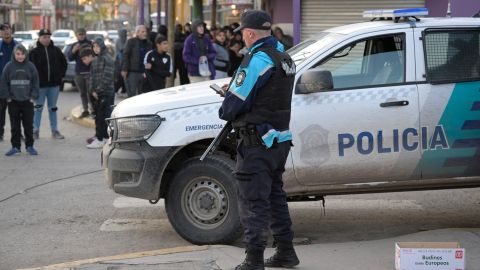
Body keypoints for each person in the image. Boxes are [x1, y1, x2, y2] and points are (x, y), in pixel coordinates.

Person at [218, 10, 299, 270]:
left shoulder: (257, 59)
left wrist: (228, 95)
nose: (242, 37)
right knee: (275, 195)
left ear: (250, 33)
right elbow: (270, 95)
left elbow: (231, 107)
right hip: (279, 139)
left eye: (243, 33)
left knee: (253, 199)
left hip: (256, 142)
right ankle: (286, 252)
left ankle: (254, 260)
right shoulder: (285, 58)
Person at [0, 45, 39, 156]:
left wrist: (33, 97)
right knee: (15, 126)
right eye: (18, 54)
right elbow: (3, 83)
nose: (20, 56)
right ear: (14, 54)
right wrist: (7, 97)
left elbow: (36, 82)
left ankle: (30, 146)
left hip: (28, 102)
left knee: (28, 126)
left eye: (22, 54)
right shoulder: (9, 66)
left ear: (25, 54)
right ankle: (15, 147)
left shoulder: (31, 66)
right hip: (13, 102)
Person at [29, 28, 67, 140]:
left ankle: (55, 131)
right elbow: (29, 69)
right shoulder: (34, 53)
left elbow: (64, 63)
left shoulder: (56, 51)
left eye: (48, 37)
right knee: (38, 108)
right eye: (44, 37)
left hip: (54, 86)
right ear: (39, 38)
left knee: (53, 108)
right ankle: (35, 131)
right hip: (39, 87)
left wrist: (60, 76)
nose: (46, 39)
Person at [84, 38, 114, 149]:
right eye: (94, 46)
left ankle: (103, 139)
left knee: (104, 116)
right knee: (98, 117)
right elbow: (92, 77)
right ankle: (99, 137)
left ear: (102, 46)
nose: (96, 49)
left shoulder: (108, 59)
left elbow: (107, 78)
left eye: (98, 46)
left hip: (106, 93)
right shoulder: (95, 60)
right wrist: (92, 90)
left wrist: (98, 91)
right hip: (96, 94)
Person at [68, 28, 93, 118]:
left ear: (85, 34)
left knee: (90, 92)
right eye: (80, 34)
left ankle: (93, 109)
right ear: (77, 35)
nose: (81, 36)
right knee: (83, 92)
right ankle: (85, 109)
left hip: (90, 71)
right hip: (79, 72)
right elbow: (70, 58)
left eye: (83, 34)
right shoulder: (74, 45)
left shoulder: (91, 44)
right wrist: (74, 50)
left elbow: (96, 55)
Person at [121, 25, 152, 97]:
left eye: (145, 32)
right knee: (132, 95)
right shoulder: (131, 42)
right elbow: (126, 55)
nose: (145, 33)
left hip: (144, 73)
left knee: (142, 95)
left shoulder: (149, 43)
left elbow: (151, 56)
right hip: (132, 72)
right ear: (137, 33)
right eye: (142, 32)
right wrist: (124, 69)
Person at [0, 23, 19, 142]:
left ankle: (17, 134)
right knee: (1, 111)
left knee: (16, 111)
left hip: (16, 84)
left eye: (8, 29)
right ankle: (0, 133)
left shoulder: (18, 46)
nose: (6, 31)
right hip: (2, 85)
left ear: (11, 30)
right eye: (3, 30)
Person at [114, 29, 127, 95]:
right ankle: (116, 90)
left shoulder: (126, 40)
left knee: (123, 77)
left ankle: (124, 89)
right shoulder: (119, 40)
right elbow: (122, 49)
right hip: (119, 62)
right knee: (119, 77)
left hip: (124, 61)